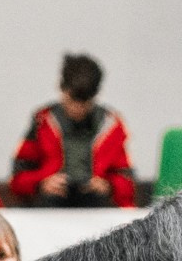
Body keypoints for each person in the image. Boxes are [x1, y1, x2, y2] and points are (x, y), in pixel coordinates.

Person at [8, 54, 135, 207]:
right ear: (62, 90)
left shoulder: (110, 126)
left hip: (96, 204)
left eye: (84, 103)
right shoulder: (42, 122)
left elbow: (126, 180)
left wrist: (108, 186)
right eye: (72, 100)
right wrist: (41, 184)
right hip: (50, 203)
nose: (77, 109)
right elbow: (19, 178)